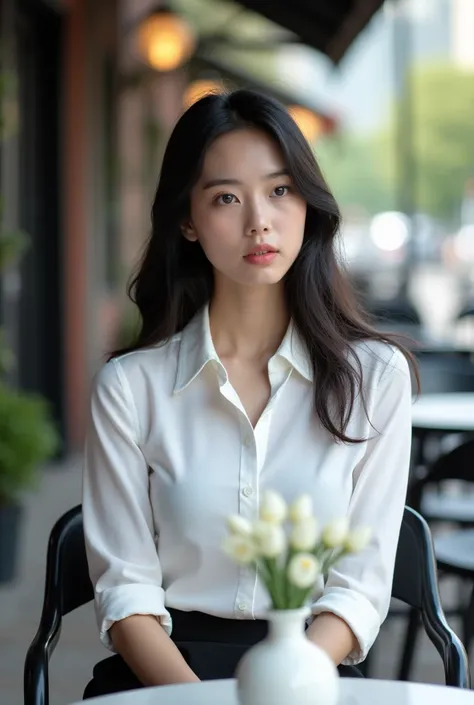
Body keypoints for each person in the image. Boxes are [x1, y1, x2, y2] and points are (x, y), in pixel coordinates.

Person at [82, 89, 417, 698]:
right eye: (226, 197)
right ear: (187, 220)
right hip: (164, 677)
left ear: (308, 205)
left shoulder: (376, 379)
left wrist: (287, 684)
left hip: (314, 674)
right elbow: (125, 594)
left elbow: (359, 588)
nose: (259, 220)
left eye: (280, 190)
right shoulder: (130, 389)